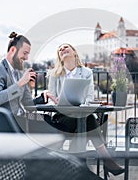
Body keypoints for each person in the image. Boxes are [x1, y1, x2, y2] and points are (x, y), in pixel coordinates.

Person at [47, 43, 124, 177]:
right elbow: (49, 100)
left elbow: (89, 98)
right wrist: (55, 101)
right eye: (59, 49)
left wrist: (81, 106)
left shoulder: (87, 72)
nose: (62, 49)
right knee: (87, 119)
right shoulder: (55, 74)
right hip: (62, 118)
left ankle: (79, 168)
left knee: (84, 117)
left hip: (81, 115)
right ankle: (105, 160)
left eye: (66, 47)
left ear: (74, 53)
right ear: (59, 57)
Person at [0, 32, 57, 117]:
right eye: (24, 53)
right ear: (12, 50)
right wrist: (20, 83)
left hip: (20, 121)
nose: (26, 58)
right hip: (3, 122)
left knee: (52, 122)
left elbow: (28, 104)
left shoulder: (19, 73)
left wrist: (43, 96)